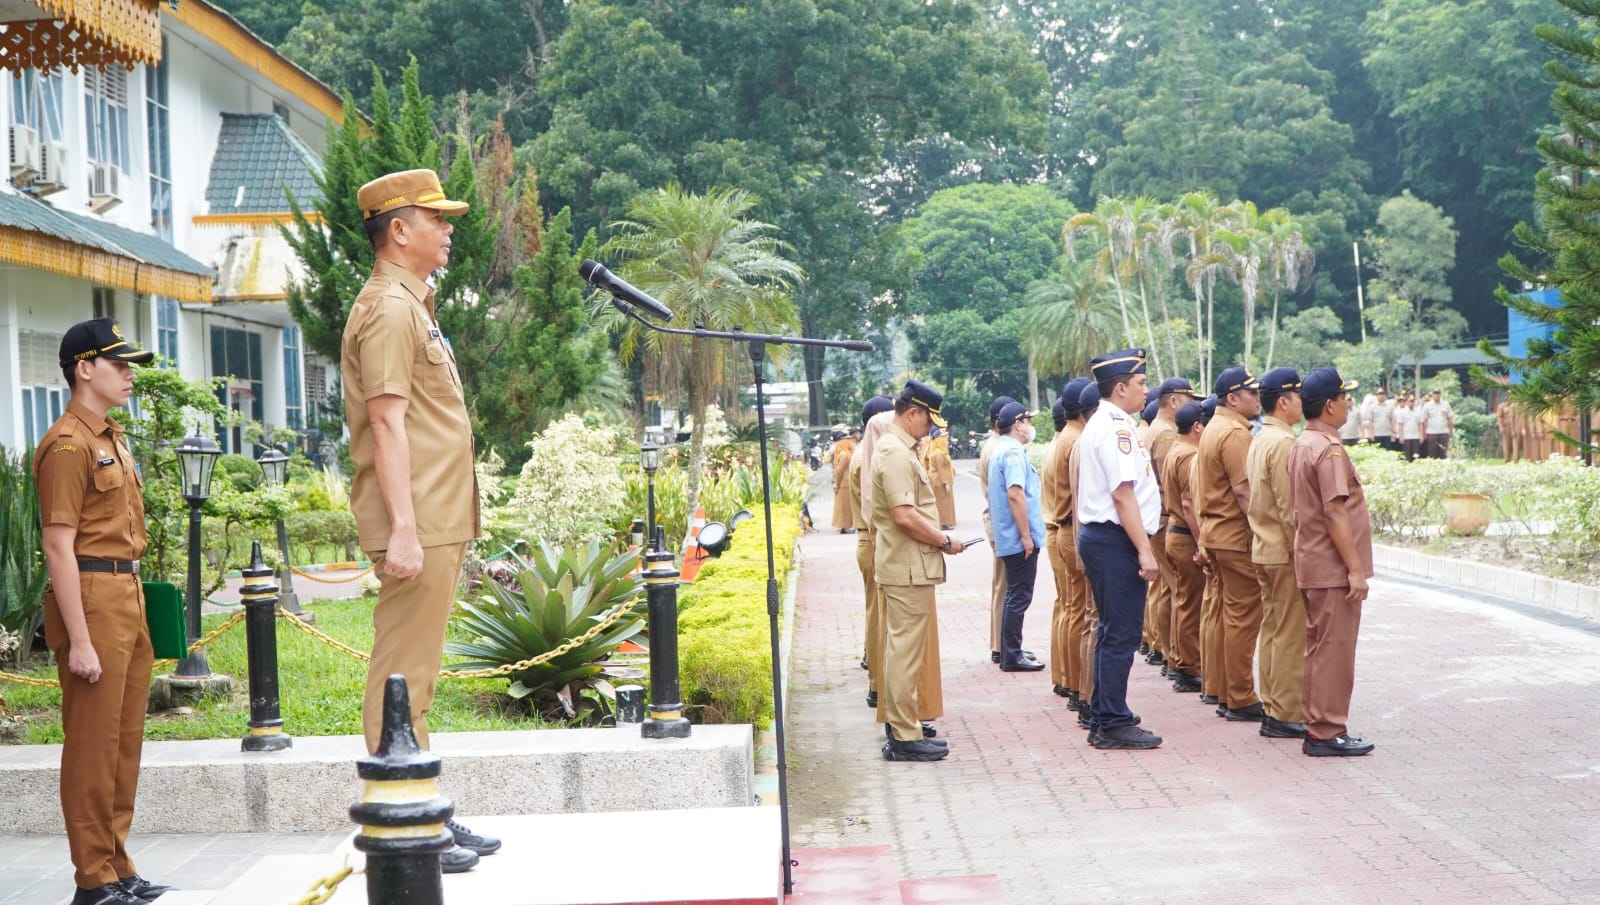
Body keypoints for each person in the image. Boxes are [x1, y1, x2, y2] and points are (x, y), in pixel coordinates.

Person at [341, 168, 496, 872]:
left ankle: (424, 812)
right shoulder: (390, 309)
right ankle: (400, 823)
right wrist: (403, 525)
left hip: (435, 514)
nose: (448, 228)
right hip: (418, 520)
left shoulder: (413, 304)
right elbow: (386, 423)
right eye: (436, 218)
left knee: (418, 679)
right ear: (398, 229)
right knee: (401, 673)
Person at [36, 318, 171, 905]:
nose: (130, 374)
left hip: (128, 595)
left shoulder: (111, 437)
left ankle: (118, 864)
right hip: (91, 596)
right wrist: (82, 639)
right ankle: (92, 878)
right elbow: (58, 547)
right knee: (92, 743)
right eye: (119, 364)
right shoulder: (68, 444)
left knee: (122, 740)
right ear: (83, 368)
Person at [872, 380, 968, 761]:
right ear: (912, 412)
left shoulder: (898, 448)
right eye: (929, 420)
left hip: (907, 564)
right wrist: (944, 542)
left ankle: (904, 728)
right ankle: (905, 736)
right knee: (904, 653)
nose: (931, 428)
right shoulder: (896, 452)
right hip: (907, 565)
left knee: (903, 650)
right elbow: (904, 516)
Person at [1075, 349, 1164, 750]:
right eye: (1142, 384)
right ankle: (1111, 722)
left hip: (1106, 538)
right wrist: (1144, 550)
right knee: (1121, 633)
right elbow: (1123, 493)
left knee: (1112, 629)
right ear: (1121, 387)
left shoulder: (1107, 423)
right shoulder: (1116, 428)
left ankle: (1104, 711)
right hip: (1115, 541)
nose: (1146, 391)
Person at [1288, 367, 1376, 757]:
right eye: (1344, 398)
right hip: (1331, 569)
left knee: (1319, 649)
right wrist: (1354, 570)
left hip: (1313, 563)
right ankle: (1327, 730)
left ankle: (1318, 725)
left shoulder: (1303, 443)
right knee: (1335, 651)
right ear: (1328, 405)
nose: (1348, 404)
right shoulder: (1328, 448)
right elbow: (1334, 513)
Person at [1195, 365, 1267, 723]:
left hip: (1216, 533)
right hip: (1235, 536)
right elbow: (1243, 489)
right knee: (1242, 618)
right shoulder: (1235, 433)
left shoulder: (1215, 427)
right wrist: (1264, 529)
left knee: (1227, 615)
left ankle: (1225, 690)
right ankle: (1239, 696)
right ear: (1233, 398)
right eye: (1252, 393)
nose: (1258, 399)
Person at [1246, 368, 1308, 740]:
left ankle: (1272, 705)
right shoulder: (1283, 442)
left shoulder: (1260, 437)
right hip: (1282, 552)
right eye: (1298, 397)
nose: (1302, 404)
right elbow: (1289, 510)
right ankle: (1286, 711)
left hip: (1263, 548)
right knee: (1289, 634)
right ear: (1284, 402)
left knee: (1272, 630)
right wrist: (1301, 553)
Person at [1140, 378, 1200, 670]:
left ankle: (1165, 650)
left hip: (1161, 520)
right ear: (1174, 401)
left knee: (1167, 589)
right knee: (1179, 591)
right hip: (1167, 520)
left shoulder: (1158, 430)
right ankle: (1175, 656)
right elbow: (1171, 486)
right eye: (1190, 399)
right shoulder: (1166, 434)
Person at [988, 401, 1046, 672]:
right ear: (1018, 423)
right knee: (1018, 596)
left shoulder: (1003, 448)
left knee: (1015, 594)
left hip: (1009, 535)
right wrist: (1026, 536)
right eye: (1028, 421)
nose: (1030, 427)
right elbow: (1015, 493)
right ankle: (1011, 654)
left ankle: (1013, 648)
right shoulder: (1011, 452)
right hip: (1016, 537)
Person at [1047, 379, 1092, 710]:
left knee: (1068, 607)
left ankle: (1066, 677)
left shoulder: (1062, 438)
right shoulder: (1076, 441)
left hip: (1060, 529)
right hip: (1071, 531)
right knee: (1079, 610)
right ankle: (1077, 684)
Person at [850, 397, 895, 709]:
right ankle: (878, 685)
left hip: (868, 539)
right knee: (879, 616)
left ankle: (877, 679)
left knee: (875, 613)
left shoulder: (864, 453)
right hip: (872, 538)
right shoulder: (865, 457)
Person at [1159, 400, 1205, 694]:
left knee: (1182, 600)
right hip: (1186, 534)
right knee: (1191, 603)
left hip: (1175, 532)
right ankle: (1188, 666)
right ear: (1197, 427)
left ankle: (1180, 661)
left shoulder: (1176, 448)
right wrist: (1202, 542)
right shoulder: (1188, 454)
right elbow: (1189, 503)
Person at [1067, 381, 1101, 727]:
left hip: (1083, 539)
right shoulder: (1087, 442)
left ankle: (1087, 695)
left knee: (1090, 620)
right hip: (1094, 543)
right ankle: (1091, 699)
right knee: (1095, 622)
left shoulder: (1080, 442)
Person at [979, 396, 1018, 665]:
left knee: (1002, 585)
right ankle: (1002, 645)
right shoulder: (998, 450)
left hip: (997, 522)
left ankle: (999, 643)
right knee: (1006, 587)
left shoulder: (994, 446)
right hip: (1003, 524)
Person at [924, 425, 957, 529]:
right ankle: (943, 523)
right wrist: (946, 483)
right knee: (942, 503)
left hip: (941, 480)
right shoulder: (938, 453)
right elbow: (941, 470)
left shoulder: (940, 451)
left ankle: (945, 522)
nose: (945, 441)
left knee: (945, 503)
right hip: (940, 481)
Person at [830, 427, 858, 532]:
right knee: (845, 507)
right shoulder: (847, 454)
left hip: (843, 484)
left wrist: (836, 483)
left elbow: (839, 471)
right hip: (846, 484)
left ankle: (846, 526)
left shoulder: (843, 455)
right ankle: (845, 526)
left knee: (844, 507)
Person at [1422, 389, 1454, 459]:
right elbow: (1424, 420)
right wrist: (1424, 433)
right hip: (1431, 432)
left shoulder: (1446, 404)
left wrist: (1451, 431)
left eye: (1438, 393)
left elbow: (1450, 419)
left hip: (1444, 432)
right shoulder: (1427, 405)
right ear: (1432, 395)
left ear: (1440, 394)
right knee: (1431, 453)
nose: (1437, 395)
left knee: (1443, 453)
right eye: (1435, 393)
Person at [1395, 394, 1423, 462]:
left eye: (1413, 401)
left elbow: (1420, 424)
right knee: (1407, 457)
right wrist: (1401, 436)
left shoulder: (1418, 412)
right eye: (1410, 401)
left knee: (1416, 456)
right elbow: (1400, 425)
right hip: (1406, 437)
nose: (1411, 402)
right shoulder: (1402, 412)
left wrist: (1421, 436)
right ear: (1407, 402)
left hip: (1416, 437)